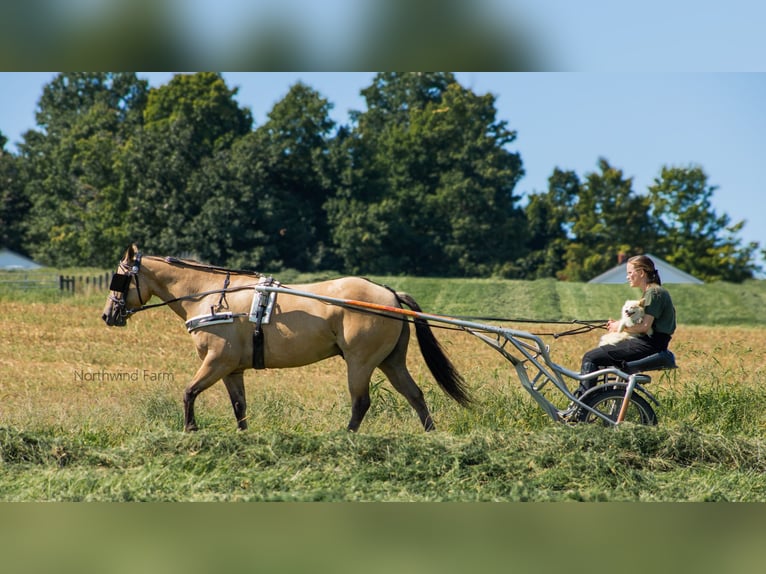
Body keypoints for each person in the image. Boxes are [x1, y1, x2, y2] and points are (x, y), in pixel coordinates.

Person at [577, 255, 676, 395]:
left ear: (641, 273)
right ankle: (593, 400)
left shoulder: (654, 292)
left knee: (591, 357)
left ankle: (583, 408)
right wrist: (618, 325)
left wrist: (619, 327)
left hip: (650, 344)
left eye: (630, 273)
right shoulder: (651, 292)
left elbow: (644, 327)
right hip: (647, 342)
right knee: (597, 356)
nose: (627, 277)